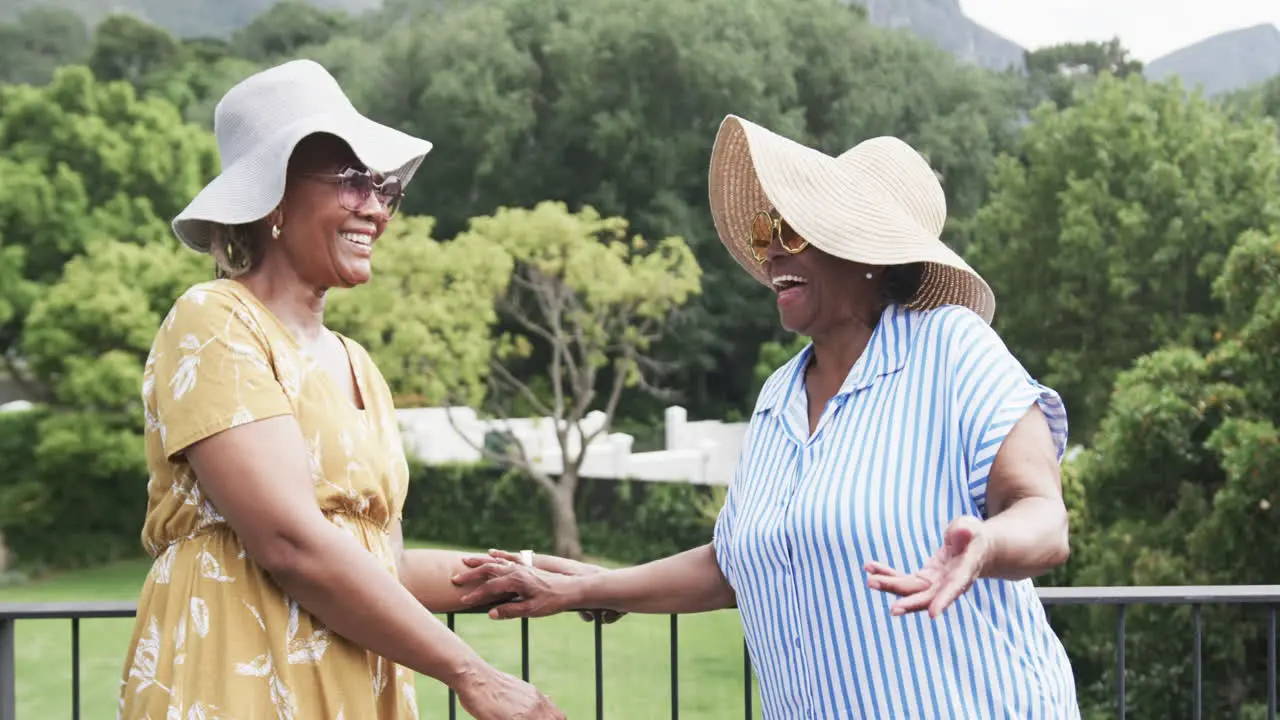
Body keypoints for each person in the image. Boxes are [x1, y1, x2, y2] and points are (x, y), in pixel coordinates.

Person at [451, 115, 1081, 718]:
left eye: (796, 234)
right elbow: (739, 563)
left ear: (869, 253)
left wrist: (985, 547)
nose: (773, 254)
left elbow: (1045, 519)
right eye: (766, 234)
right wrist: (587, 588)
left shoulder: (951, 347)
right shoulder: (779, 395)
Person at [116, 60, 565, 720]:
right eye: (352, 182)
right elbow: (291, 545)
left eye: (384, 188)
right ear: (271, 197)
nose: (377, 208)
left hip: (352, 680)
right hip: (237, 678)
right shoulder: (214, 321)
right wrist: (470, 673)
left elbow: (381, 564)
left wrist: (538, 575)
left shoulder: (360, 367)